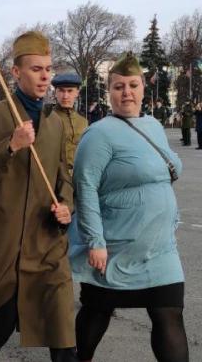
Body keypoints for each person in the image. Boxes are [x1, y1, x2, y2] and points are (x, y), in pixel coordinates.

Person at [0, 31, 76, 362]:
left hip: (47, 243)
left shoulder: (55, 123)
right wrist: (9, 146)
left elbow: (63, 177)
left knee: (63, 333)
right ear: (16, 72)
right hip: (7, 244)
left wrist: (66, 206)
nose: (45, 76)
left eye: (48, 69)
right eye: (36, 69)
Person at [70, 52, 188, 362]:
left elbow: (165, 171)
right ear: (109, 91)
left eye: (133, 85)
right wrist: (95, 242)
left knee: (169, 312)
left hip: (160, 248)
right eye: (119, 86)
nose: (127, 93)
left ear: (143, 88)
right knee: (98, 309)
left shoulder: (153, 125)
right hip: (116, 246)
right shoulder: (98, 134)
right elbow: (85, 188)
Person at [51, 73, 88, 174]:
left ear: (77, 93)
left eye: (70, 91)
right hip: (55, 175)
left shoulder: (83, 122)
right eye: (61, 91)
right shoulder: (47, 119)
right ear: (55, 93)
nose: (65, 96)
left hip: (79, 174)